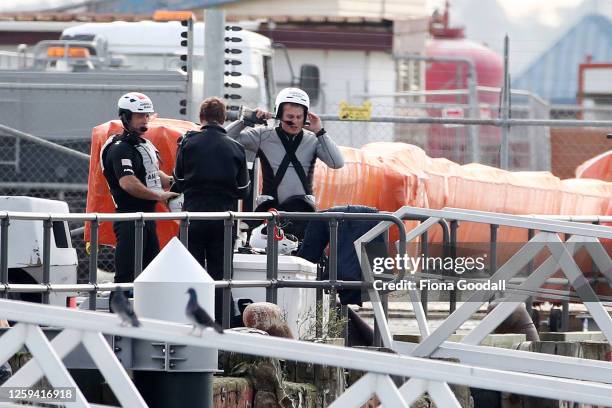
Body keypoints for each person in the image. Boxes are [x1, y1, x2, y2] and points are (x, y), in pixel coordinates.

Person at [226, 87, 344, 239]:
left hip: (302, 213)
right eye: (289, 116)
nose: (294, 121)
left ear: (306, 117)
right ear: (279, 114)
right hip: (269, 212)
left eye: (299, 117)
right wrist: (246, 120)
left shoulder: (313, 140)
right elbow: (225, 141)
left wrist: (320, 132)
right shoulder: (263, 134)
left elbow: (337, 163)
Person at [173, 97, 250, 325]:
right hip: (224, 220)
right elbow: (243, 191)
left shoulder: (187, 143)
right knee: (221, 276)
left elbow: (178, 181)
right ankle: (222, 324)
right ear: (224, 118)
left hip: (193, 217)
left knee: (191, 273)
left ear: (201, 118)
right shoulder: (236, 147)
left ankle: (190, 322)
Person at [101, 92, 178, 288]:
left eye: (147, 116)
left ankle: (145, 315)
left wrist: (176, 181)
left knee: (150, 275)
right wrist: (159, 195)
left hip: (148, 219)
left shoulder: (143, 144)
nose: (145, 120)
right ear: (126, 117)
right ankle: (118, 315)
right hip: (129, 219)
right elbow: (128, 182)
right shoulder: (119, 148)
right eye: (139, 116)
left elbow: (152, 172)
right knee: (126, 277)